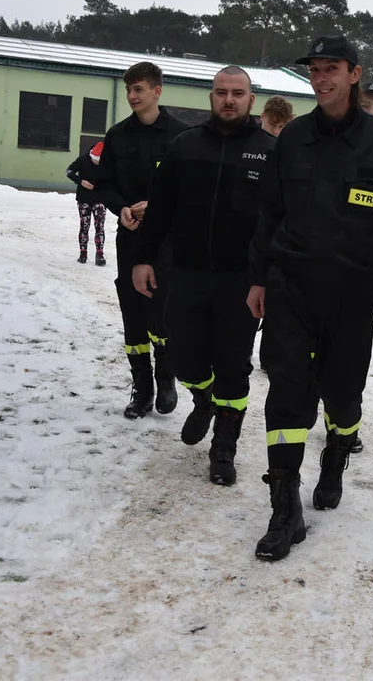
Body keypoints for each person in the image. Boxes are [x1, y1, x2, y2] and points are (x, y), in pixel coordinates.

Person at [247, 36, 373, 562]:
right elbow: (269, 216)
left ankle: (336, 455)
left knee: (343, 393)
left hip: (352, 293)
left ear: (354, 74)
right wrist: (258, 278)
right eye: (316, 70)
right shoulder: (294, 139)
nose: (322, 78)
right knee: (285, 389)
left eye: (332, 69)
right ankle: (285, 508)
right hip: (291, 287)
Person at [132, 67, 275, 486]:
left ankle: (224, 449)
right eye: (221, 93)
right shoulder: (185, 146)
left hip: (241, 282)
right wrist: (143, 259)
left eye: (238, 93)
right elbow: (159, 209)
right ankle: (203, 398)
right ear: (210, 98)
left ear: (252, 100)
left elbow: (277, 222)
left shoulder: (269, 152)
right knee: (184, 357)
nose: (229, 100)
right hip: (188, 273)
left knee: (234, 365)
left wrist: (266, 278)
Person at [99, 62, 191, 419]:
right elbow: (103, 182)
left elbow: (192, 191)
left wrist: (157, 206)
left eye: (139, 89)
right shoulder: (118, 136)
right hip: (130, 238)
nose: (132, 96)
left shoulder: (182, 137)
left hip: (168, 241)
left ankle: (166, 377)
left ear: (157, 91)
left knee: (162, 310)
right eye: (128, 90)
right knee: (133, 313)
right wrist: (120, 206)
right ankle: (142, 389)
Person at [255, 95, 295, 377]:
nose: (277, 132)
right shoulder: (251, 147)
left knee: (276, 297)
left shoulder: (291, 153)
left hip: (277, 235)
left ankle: (269, 355)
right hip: (252, 230)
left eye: (282, 127)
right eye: (273, 126)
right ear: (262, 118)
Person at [65, 141, 109, 266]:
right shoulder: (83, 160)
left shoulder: (107, 163)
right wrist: (81, 181)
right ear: (92, 156)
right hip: (83, 199)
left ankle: (99, 254)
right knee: (85, 225)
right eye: (96, 160)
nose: (98, 163)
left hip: (100, 199)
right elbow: (69, 171)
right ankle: (83, 253)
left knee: (99, 226)